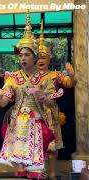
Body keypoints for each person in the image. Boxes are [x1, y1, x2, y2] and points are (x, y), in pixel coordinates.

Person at [0, 13, 59, 179]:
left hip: (37, 123)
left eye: (27, 55)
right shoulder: (13, 78)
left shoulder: (46, 78)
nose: (23, 58)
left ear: (35, 56)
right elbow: (4, 104)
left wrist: (42, 96)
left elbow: (50, 104)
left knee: (36, 168)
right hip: (18, 123)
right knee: (20, 169)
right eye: (20, 55)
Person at [36, 20, 73, 180]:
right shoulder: (30, 76)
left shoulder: (54, 75)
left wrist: (71, 75)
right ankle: (39, 173)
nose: (40, 60)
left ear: (49, 58)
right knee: (38, 147)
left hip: (51, 115)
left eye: (43, 57)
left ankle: (51, 173)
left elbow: (68, 84)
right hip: (35, 115)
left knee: (52, 147)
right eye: (37, 57)